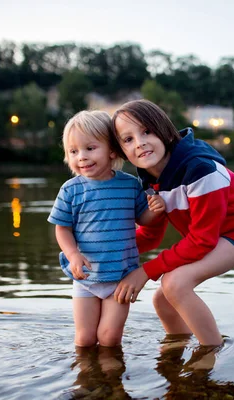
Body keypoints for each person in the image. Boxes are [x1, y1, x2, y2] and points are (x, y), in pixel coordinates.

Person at [110, 100, 234, 346]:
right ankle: (175, 350)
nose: (139, 142)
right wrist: (106, 250)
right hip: (209, 235)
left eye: (146, 131)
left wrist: (144, 272)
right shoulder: (151, 179)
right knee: (162, 299)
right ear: (121, 151)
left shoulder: (200, 169)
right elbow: (152, 235)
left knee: (175, 283)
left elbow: (202, 241)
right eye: (128, 139)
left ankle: (210, 351)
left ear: (164, 130)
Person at [48, 110, 165, 347]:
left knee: (110, 338)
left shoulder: (130, 185)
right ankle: (87, 379)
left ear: (112, 150)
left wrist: (156, 209)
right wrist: (73, 255)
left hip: (121, 276)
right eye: (73, 151)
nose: (81, 157)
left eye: (90, 148)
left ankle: (110, 381)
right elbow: (62, 229)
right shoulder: (70, 190)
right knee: (85, 339)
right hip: (86, 277)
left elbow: (143, 219)